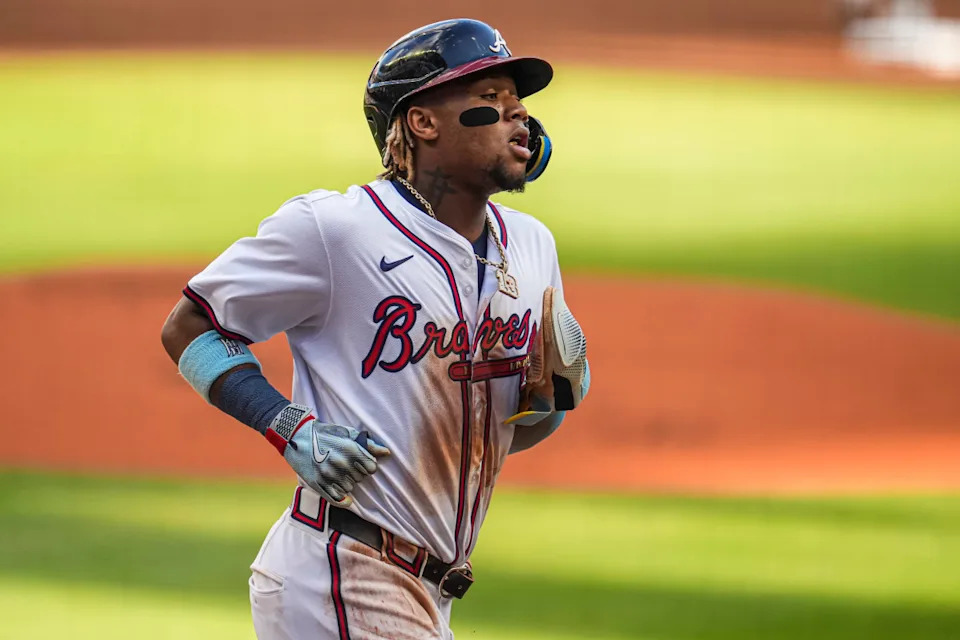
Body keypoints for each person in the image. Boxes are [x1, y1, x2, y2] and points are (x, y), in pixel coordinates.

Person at [160, 18, 590, 640]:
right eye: (490, 102)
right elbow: (190, 325)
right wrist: (288, 428)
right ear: (422, 122)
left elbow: (488, 436)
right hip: (340, 571)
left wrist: (549, 406)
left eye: (520, 106)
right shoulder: (336, 231)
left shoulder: (531, 246)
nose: (519, 119)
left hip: (430, 587)